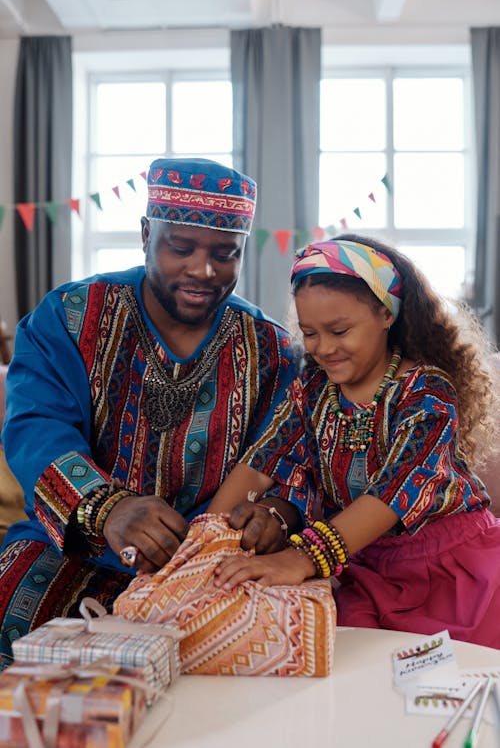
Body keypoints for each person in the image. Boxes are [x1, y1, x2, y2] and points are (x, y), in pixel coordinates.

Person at [0, 157, 302, 670]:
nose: (203, 271)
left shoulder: (271, 349)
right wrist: (110, 508)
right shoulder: (70, 318)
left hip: (211, 563)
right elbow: (37, 430)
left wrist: (276, 512)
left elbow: (292, 461)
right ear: (146, 234)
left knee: (263, 656)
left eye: (224, 254)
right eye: (180, 248)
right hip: (69, 547)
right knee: (13, 621)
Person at [210, 234, 500, 648]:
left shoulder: (427, 395)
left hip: (453, 572)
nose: (324, 348)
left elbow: (394, 493)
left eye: (340, 330)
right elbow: (261, 462)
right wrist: (203, 543)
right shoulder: (312, 387)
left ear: (386, 314)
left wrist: (300, 559)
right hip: (363, 565)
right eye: (310, 333)